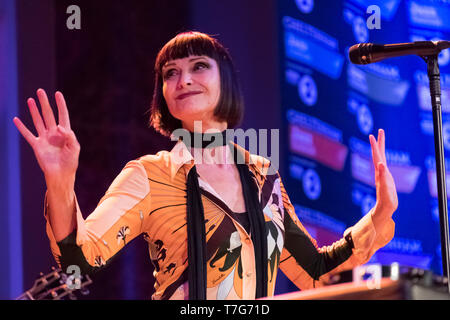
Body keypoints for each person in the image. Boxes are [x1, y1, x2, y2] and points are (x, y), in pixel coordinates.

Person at [13, 31, 398, 300]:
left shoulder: (264, 177)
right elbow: (80, 263)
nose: (184, 79)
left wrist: (380, 213)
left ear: (225, 82)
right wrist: (60, 182)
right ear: (163, 95)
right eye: (170, 73)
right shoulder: (149, 174)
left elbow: (314, 274)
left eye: (199, 66)